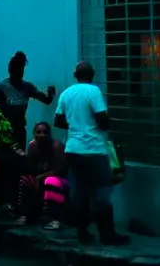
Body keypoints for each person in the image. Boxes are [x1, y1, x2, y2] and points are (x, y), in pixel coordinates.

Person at [54, 61, 129, 245]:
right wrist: (98, 126)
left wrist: (75, 127)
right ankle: (107, 235)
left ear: (75, 74)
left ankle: (82, 233)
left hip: (73, 150)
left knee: (80, 193)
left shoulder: (66, 93)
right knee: (102, 192)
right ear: (92, 74)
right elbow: (103, 119)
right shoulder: (93, 91)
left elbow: (58, 121)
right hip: (94, 150)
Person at [0, 51, 56, 211]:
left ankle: (14, 201)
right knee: (1, 165)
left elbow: (45, 100)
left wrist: (51, 94)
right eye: (15, 71)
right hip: (2, 132)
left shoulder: (27, 87)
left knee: (16, 165)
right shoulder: (0, 86)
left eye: (20, 71)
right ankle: (0, 201)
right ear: (10, 71)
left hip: (19, 131)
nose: (18, 74)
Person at [15, 122, 68, 230]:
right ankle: (26, 215)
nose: (42, 135)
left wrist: (39, 178)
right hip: (39, 179)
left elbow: (59, 170)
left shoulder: (56, 146)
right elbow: (30, 169)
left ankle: (56, 219)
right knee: (25, 180)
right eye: (39, 132)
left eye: (45, 132)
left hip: (59, 180)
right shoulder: (32, 145)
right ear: (34, 133)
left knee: (51, 181)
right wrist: (23, 157)